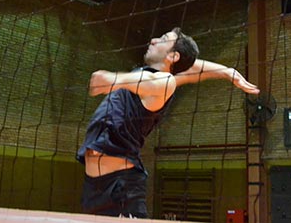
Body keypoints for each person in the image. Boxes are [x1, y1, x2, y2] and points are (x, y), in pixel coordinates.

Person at [77, 27, 259, 218]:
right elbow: (193, 67)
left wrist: (113, 79)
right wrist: (227, 71)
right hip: (94, 187)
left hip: (121, 186)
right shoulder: (150, 73)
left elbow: (151, 81)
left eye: (163, 39)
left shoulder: (165, 82)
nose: (153, 40)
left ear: (173, 56)